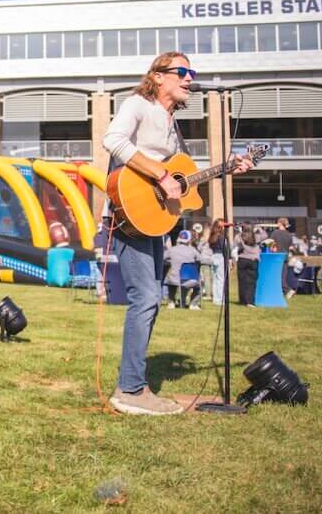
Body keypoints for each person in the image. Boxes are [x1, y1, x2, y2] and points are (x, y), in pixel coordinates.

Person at [102, 51, 254, 415]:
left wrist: (227, 168)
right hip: (130, 214)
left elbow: (184, 175)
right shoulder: (138, 104)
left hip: (154, 219)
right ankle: (130, 390)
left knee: (152, 298)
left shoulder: (172, 123)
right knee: (146, 298)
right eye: (182, 71)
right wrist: (161, 175)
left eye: (192, 73)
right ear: (157, 76)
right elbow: (114, 140)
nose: (190, 78)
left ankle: (134, 384)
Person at [163, 230, 212, 309]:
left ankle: (171, 302)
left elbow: (163, 258)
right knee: (199, 284)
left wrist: (170, 261)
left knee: (171, 283)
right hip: (189, 279)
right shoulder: (193, 250)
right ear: (189, 240)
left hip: (174, 279)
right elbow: (202, 260)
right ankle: (193, 304)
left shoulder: (172, 250)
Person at [234, 224, 261, 307]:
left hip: (242, 259)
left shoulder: (239, 237)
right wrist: (258, 228)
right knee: (251, 282)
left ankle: (242, 300)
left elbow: (234, 244)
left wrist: (239, 232)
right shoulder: (257, 237)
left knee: (242, 281)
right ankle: (250, 302)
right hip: (253, 260)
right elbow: (265, 235)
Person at [269, 217, 294, 299]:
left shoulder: (275, 233)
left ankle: (288, 290)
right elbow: (290, 247)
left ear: (279, 223)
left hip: (276, 257)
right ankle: (283, 292)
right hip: (285, 257)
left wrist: (271, 249)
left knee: (277, 276)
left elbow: (271, 244)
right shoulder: (289, 234)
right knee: (283, 276)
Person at [204, 219, 228, 305]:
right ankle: (221, 299)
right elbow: (224, 248)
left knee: (215, 279)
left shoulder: (212, 235)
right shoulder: (221, 236)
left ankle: (216, 299)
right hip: (220, 256)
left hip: (213, 257)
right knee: (221, 279)